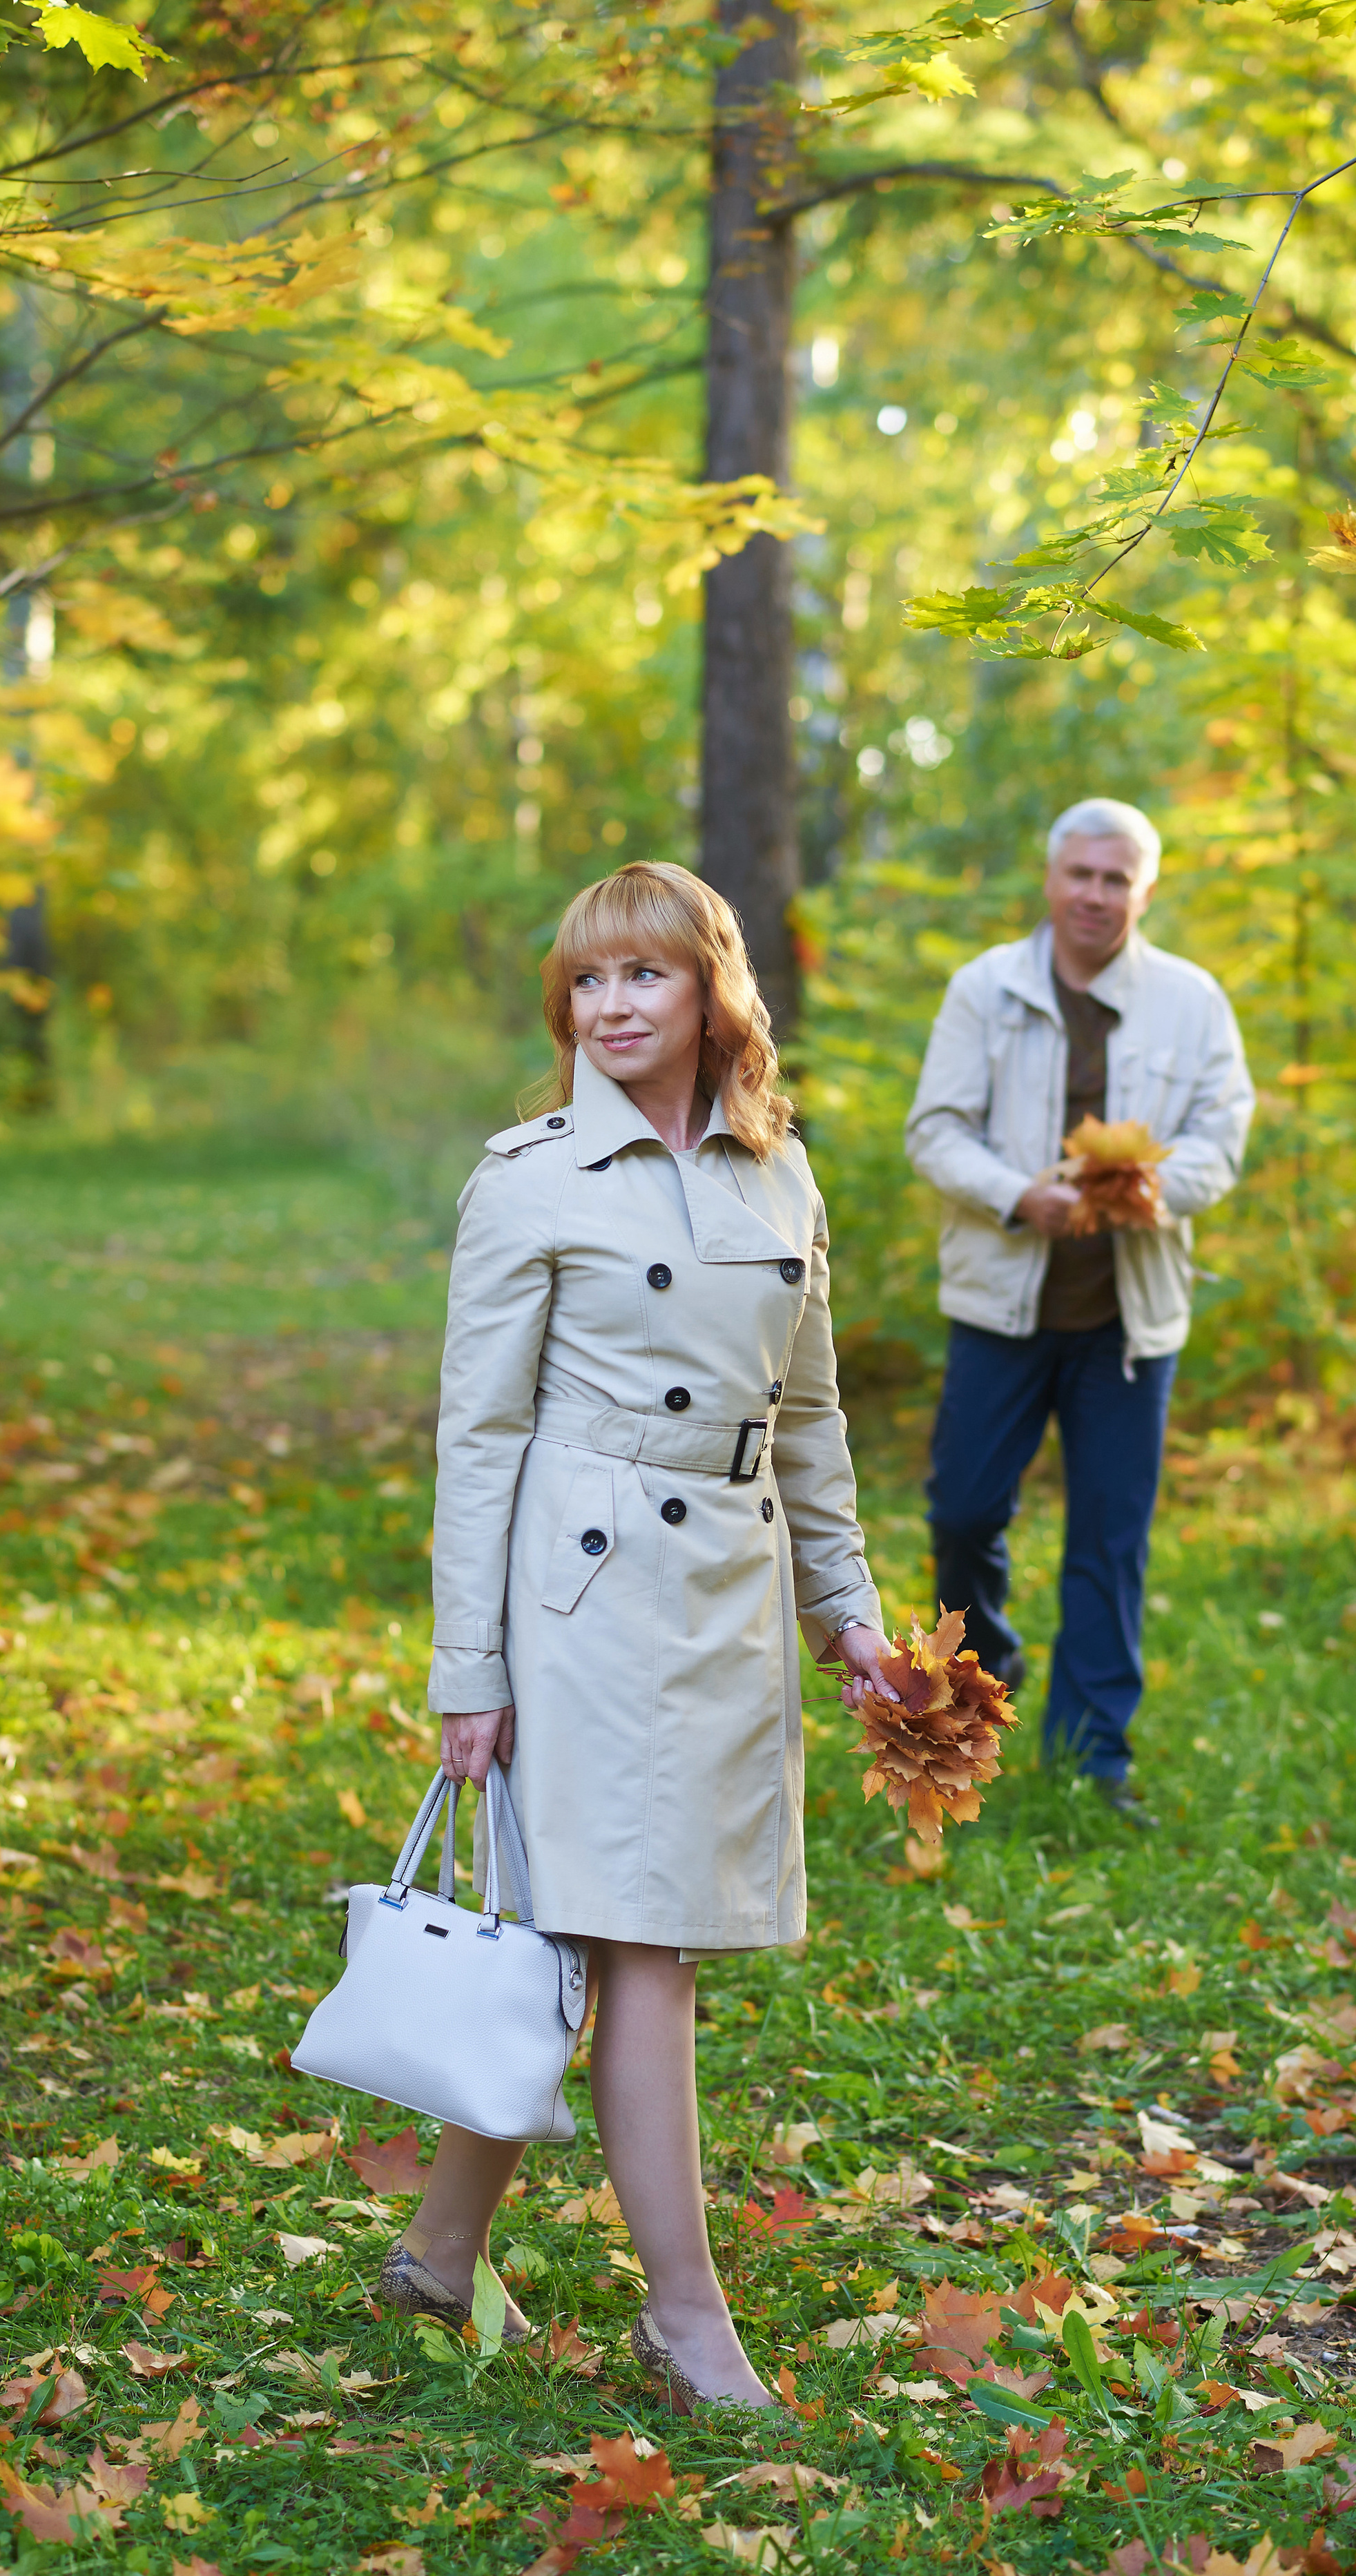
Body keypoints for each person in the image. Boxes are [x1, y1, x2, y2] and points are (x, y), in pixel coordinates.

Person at [380, 860, 897, 2410]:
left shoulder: (779, 1179)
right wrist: (466, 1674)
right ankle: (685, 2318)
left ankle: (437, 2254)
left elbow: (804, 1416)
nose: (607, 1007)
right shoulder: (528, 1176)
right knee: (641, 1938)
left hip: (725, 1600)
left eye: (641, 979)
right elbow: (476, 1437)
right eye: (585, 983)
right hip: (582, 1594)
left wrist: (847, 1611)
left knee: (578, 1929)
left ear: (709, 997)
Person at [904, 800, 1252, 1827]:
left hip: (1129, 1322)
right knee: (963, 1510)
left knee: (1110, 1537)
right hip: (1000, 1306)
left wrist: (1148, 1186)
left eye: (1118, 879)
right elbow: (935, 1129)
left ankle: (1095, 1760)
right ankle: (979, 1703)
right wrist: (1023, 1194)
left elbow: (1220, 1138)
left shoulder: (1192, 1001)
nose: (1097, 894)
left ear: (1146, 890)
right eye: (1082, 875)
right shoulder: (986, 988)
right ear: (1051, 881)